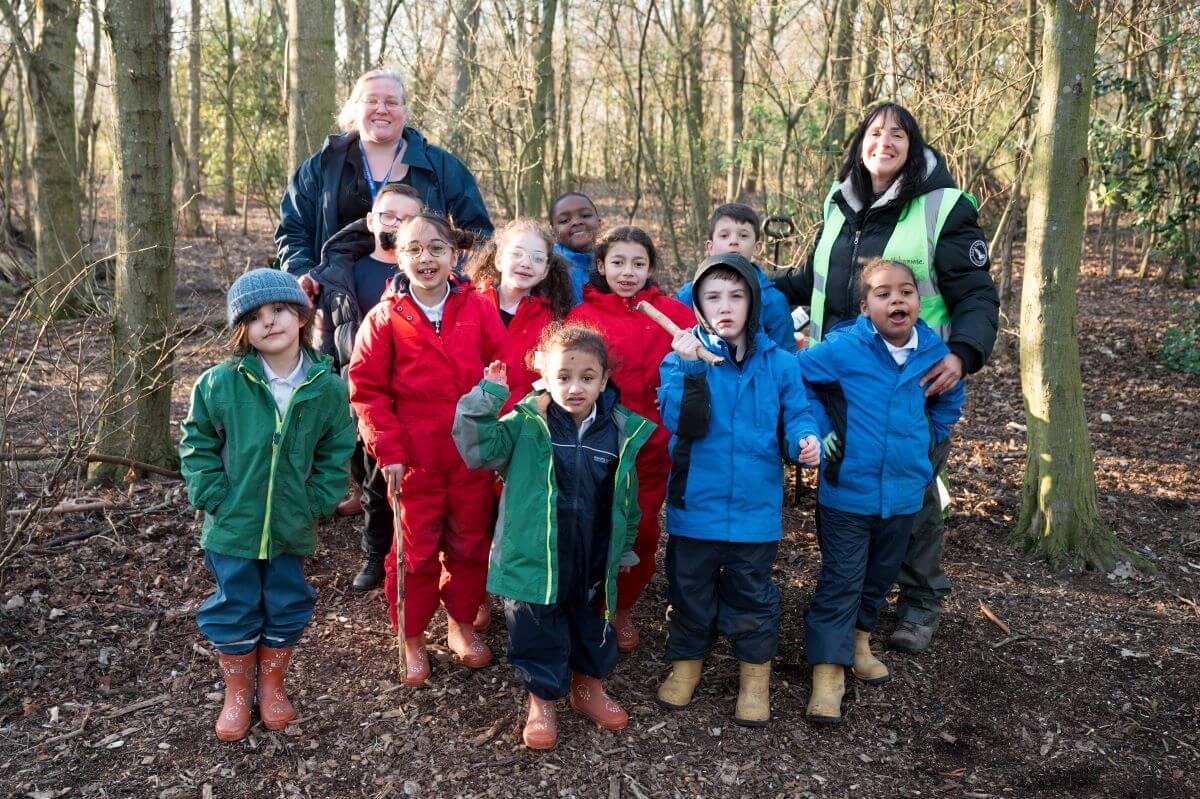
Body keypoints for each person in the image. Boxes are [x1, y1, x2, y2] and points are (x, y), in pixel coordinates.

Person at [772, 102, 999, 654]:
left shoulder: (942, 207)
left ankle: (920, 603)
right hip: (842, 381)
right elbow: (813, 277)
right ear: (860, 144)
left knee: (916, 495)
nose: (885, 141)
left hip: (915, 384)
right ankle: (850, 606)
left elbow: (975, 293)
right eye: (875, 132)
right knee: (848, 492)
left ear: (913, 146)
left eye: (899, 133)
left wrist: (963, 354)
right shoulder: (839, 200)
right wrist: (746, 288)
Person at [453, 323, 653, 750]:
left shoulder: (618, 431)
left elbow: (626, 496)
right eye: (563, 376)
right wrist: (486, 398)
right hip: (534, 554)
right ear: (544, 375)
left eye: (587, 378)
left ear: (603, 381)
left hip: (591, 555)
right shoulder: (526, 423)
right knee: (535, 627)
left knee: (591, 623)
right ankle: (542, 699)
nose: (574, 387)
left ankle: (588, 687)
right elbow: (478, 449)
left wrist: (625, 545)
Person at [179, 269, 357, 741]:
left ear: (300, 315)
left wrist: (317, 499)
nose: (269, 322)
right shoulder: (220, 383)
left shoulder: (328, 388)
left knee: (285, 600)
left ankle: (272, 684)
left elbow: (337, 450)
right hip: (232, 524)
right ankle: (238, 691)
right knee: (234, 603)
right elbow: (196, 441)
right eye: (254, 317)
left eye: (278, 309)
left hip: (290, 523)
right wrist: (212, 494)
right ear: (243, 330)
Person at [795, 259, 964, 724]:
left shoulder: (934, 352)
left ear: (918, 300)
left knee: (879, 577)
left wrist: (928, 438)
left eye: (906, 292)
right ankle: (828, 671)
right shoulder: (844, 348)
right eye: (883, 293)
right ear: (865, 306)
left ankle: (860, 641)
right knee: (842, 579)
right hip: (848, 491)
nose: (897, 300)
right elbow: (798, 378)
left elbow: (950, 397)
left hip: (906, 492)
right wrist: (820, 426)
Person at [655, 253, 820, 727]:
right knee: (689, 590)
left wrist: (803, 441)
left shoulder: (782, 364)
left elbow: (799, 414)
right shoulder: (679, 360)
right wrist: (690, 370)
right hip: (696, 507)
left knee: (752, 593)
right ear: (699, 306)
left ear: (752, 302)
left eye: (735, 296)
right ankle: (686, 666)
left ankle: (755, 678)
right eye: (713, 297)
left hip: (756, 510)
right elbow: (683, 422)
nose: (724, 306)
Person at [348, 213, 507, 686]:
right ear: (397, 254)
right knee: (413, 552)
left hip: (469, 456)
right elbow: (367, 391)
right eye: (414, 248)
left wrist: (498, 432)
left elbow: (500, 371)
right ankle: (412, 635)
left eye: (436, 248)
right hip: (412, 460)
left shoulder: (477, 307)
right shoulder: (384, 318)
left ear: (454, 255)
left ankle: (460, 623)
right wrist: (388, 450)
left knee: (469, 543)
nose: (426, 258)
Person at [567, 226, 695, 652]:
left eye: (638, 263)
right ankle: (587, 604)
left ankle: (622, 608)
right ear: (601, 266)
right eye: (618, 262)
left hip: (652, 448)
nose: (628, 272)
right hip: (598, 447)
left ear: (650, 268)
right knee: (593, 527)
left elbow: (702, 365)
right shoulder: (584, 316)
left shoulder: (674, 315)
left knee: (638, 532)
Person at [277, 68, 493, 292]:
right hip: (335, 299)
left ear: (405, 110)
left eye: (391, 102)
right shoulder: (321, 166)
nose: (381, 109)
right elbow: (293, 231)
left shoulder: (442, 167)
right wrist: (302, 275)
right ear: (354, 108)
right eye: (371, 100)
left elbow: (479, 235)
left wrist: (452, 282)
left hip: (422, 302)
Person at [309, 183, 424, 591]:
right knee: (371, 481)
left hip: (413, 394)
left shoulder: (425, 272)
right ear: (372, 220)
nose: (395, 224)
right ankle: (377, 552)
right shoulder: (343, 274)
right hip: (360, 394)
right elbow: (325, 336)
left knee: (408, 482)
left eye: (406, 217)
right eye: (388, 215)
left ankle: (407, 552)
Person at [467, 219, 576, 415]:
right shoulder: (470, 305)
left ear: (545, 270)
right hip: (470, 420)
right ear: (499, 259)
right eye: (517, 254)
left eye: (537, 258)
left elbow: (550, 378)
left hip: (523, 422)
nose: (526, 263)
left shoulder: (552, 321)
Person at [675, 204, 798, 353]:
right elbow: (676, 350)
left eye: (743, 235)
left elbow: (786, 358)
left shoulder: (773, 301)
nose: (734, 241)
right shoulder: (688, 296)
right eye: (724, 235)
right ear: (710, 247)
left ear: (757, 247)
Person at [549, 191, 602, 304]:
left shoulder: (614, 260)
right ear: (553, 232)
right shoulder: (547, 265)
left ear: (599, 222)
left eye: (585, 215)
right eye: (564, 220)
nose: (577, 222)